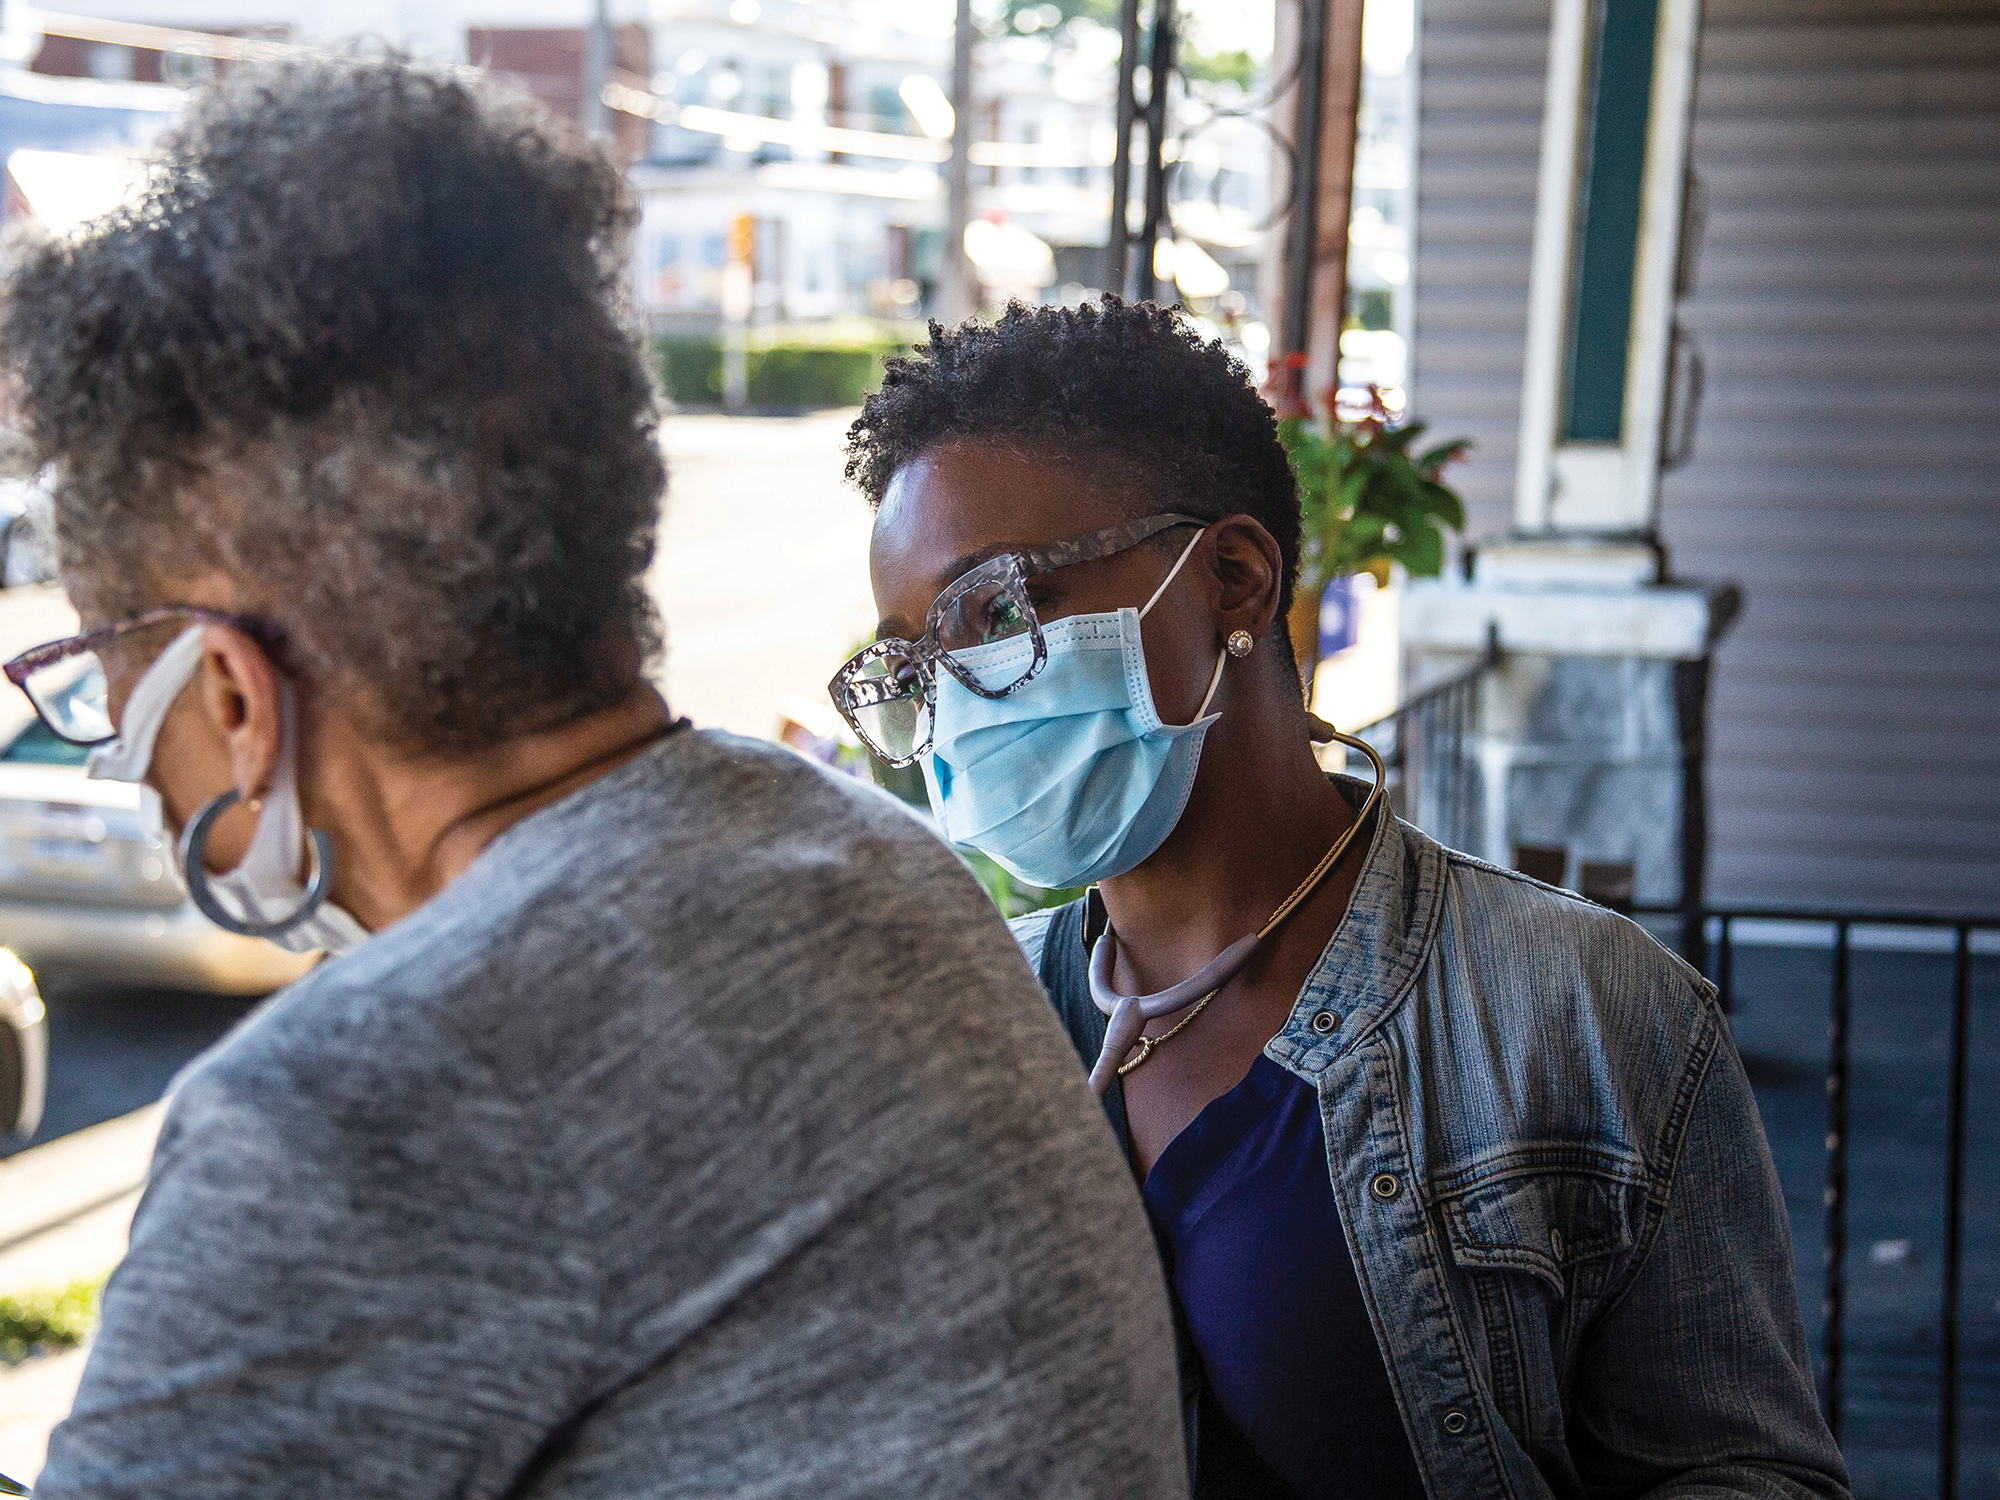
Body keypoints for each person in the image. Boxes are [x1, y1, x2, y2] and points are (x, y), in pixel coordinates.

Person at [1, 64, 1186, 1499]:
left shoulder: (354, 1109)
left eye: (97, 680)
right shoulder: (871, 865)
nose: (115, 750)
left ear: (233, 693)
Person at [832, 298, 1851, 1500]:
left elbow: (1744, 1476)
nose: (950, 696)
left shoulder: (1581, 1012)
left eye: (993, 612)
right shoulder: (961, 1024)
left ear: (1233, 580)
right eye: (909, 659)